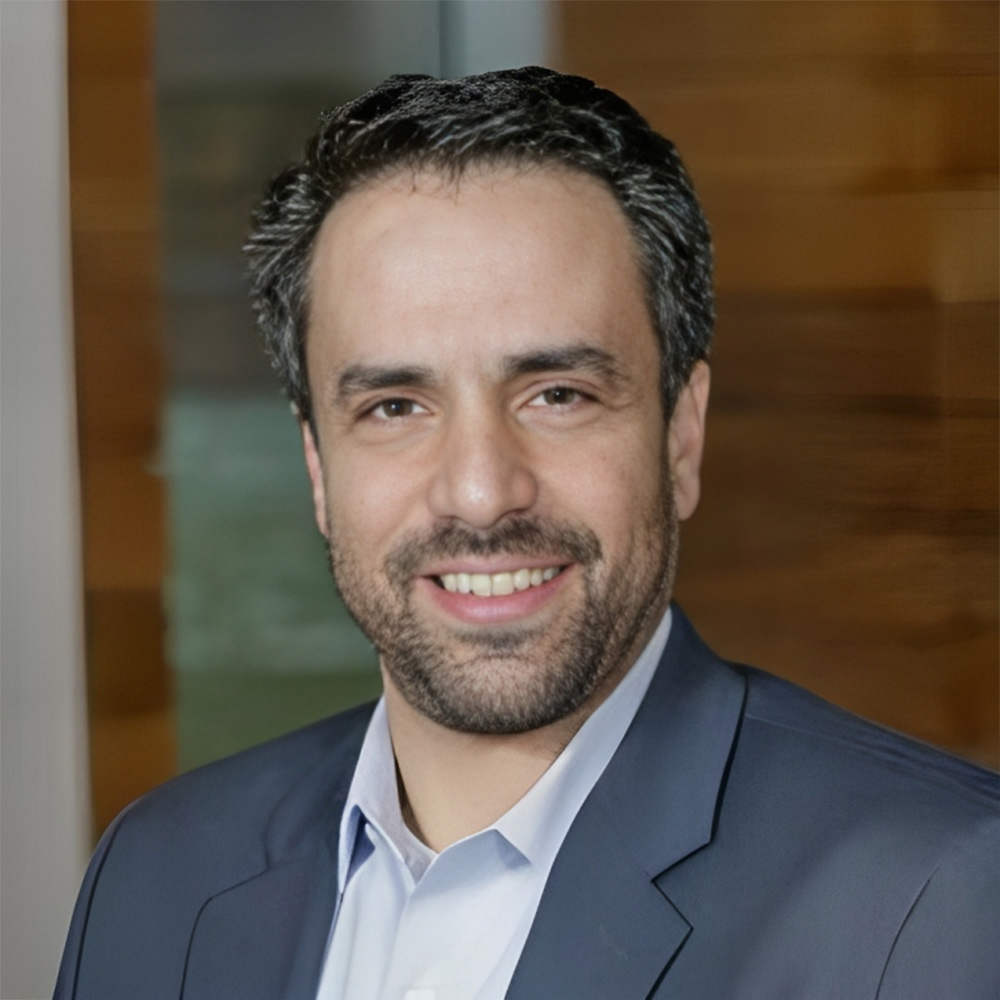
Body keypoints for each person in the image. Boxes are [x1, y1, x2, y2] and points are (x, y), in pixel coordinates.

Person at [55, 67, 997, 1000]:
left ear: (681, 434)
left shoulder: (933, 898)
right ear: (317, 467)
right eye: (394, 407)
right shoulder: (159, 875)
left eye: (558, 395)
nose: (479, 493)